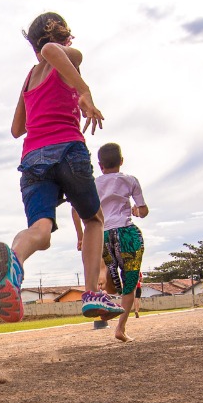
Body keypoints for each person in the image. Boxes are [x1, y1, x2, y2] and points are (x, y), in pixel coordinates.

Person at [0, 12, 123, 324]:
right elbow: (52, 52)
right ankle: (92, 293)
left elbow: (17, 128)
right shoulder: (64, 53)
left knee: (41, 232)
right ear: (64, 36)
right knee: (93, 219)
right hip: (67, 149)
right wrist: (84, 93)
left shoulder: (28, 78)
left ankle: (13, 263)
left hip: (33, 157)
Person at [72, 143, 148, 342]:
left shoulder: (93, 184)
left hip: (102, 234)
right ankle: (120, 328)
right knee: (129, 284)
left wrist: (81, 236)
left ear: (99, 165)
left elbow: (74, 209)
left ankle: (103, 280)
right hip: (127, 233)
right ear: (121, 161)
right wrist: (135, 211)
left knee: (110, 279)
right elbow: (143, 210)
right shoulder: (130, 180)